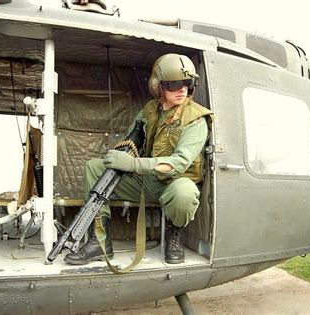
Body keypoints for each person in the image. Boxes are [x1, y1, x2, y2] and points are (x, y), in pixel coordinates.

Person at [65, 53, 213, 265]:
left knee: (185, 193)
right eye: (174, 84)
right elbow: (132, 140)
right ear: (159, 86)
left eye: (187, 84)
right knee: (94, 167)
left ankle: (174, 236)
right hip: (145, 181)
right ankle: (100, 242)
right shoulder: (150, 110)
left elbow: (179, 163)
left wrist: (133, 164)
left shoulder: (196, 119)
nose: (182, 89)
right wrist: (124, 152)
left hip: (172, 184)